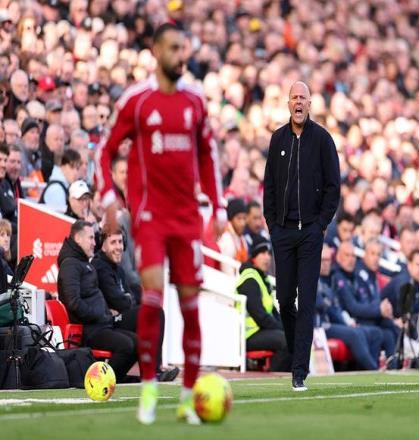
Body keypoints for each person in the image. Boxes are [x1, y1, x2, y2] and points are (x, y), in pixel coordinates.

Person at [96, 23, 226, 425]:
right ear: (155, 51)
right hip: (150, 216)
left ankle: (187, 397)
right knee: (152, 297)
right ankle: (150, 388)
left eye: (183, 48)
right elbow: (105, 149)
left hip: (187, 218)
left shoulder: (195, 100)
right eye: (173, 48)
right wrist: (109, 197)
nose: (180, 56)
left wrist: (218, 207)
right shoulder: (137, 100)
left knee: (190, 307)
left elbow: (209, 154)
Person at [263, 81, 341, 391]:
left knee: (306, 300)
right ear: (288, 103)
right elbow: (269, 186)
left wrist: (320, 224)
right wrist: (272, 225)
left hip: (310, 232)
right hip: (283, 232)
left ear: (310, 105)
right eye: (294, 97)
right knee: (284, 300)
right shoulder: (277, 139)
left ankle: (298, 371)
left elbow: (334, 186)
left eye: (303, 98)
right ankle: (299, 353)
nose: (298, 102)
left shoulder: (322, 139)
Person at [91, 226, 179, 382]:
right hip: (107, 323)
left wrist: (126, 299)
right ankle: (153, 371)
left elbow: (130, 297)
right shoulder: (99, 266)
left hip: (119, 318)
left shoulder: (118, 269)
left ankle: (151, 371)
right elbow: (118, 300)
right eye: (113, 242)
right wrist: (126, 299)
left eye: (120, 242)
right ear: (103, 246)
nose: (118, 247)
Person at [57, 220, 138, 383]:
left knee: (137, 342)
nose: (95, 243)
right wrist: (100, 314)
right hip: (89, 330)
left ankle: (117, 378)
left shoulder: (82, 262)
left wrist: (105, 312)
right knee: (127, 346)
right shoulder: (70, 265)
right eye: (91, 238)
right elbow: (73, 302)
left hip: (102, 324)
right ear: (78, 239)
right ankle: (99, 381)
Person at [316, 244, 382, 370]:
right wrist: (346, 323)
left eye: (328, 260)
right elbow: (325, 308)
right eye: (322, 260)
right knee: (355, 334)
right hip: (320, 325)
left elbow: (337, 308)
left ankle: (364, 371)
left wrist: (348, 322)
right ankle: (374, 370)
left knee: (375, 333)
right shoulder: (312, 279)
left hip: (336, 322)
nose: (325, 264)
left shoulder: (331, 278)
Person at [236, 236, 291, 372]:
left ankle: (288, 375)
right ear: (254, 257)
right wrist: (282, 329)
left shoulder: (261, 278)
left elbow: (273, 312)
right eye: (262, 253)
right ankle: (274, 376)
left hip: (261, 331)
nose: (267, 257)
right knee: (287, 341)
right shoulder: (249, 279)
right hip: (248, 335)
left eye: (269, 253)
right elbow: (259, 315)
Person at [217, 197, 248, 275]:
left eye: (244, 218)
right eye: (239, 218)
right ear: (231, 219)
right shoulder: (226, 239)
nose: (242, 223)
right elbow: (227, 272)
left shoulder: (242, 239)